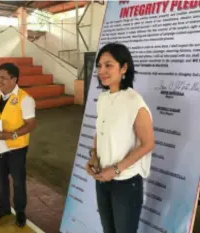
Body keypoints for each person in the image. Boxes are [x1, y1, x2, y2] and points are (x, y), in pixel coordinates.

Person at [86, 43, 154, 233]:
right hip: (103, 180)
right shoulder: (103, 98)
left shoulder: (134, 101)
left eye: (109, 65)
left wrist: (116, 170)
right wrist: (94, 157)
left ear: (124, 68)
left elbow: (148, 144)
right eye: (99, 66)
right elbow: (100, 132)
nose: (102, 71)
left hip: (126, 183)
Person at [0, 63, 36, 227]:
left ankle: (20, 211)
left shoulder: (25, 99)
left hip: (16, 149)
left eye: (3, 78)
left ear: (14, 79)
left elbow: (31, 124)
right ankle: (3, 208)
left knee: (18, 181)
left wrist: (11, 135)